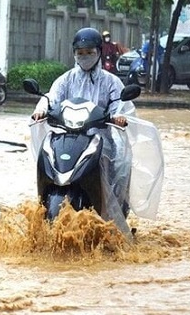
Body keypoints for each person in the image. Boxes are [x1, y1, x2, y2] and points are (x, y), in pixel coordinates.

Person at [31, 27, 136, 226]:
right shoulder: (66, 79)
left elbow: (120, 104)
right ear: (75, 54)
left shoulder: (110, 82)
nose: (85, 56)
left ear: (99, 52)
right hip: (67, 136)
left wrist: (119, 116)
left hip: (100, 138)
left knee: (120, 164)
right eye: (80, 53)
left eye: (90, 52)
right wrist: (41, 110)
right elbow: (51, 98)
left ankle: (115, 211)